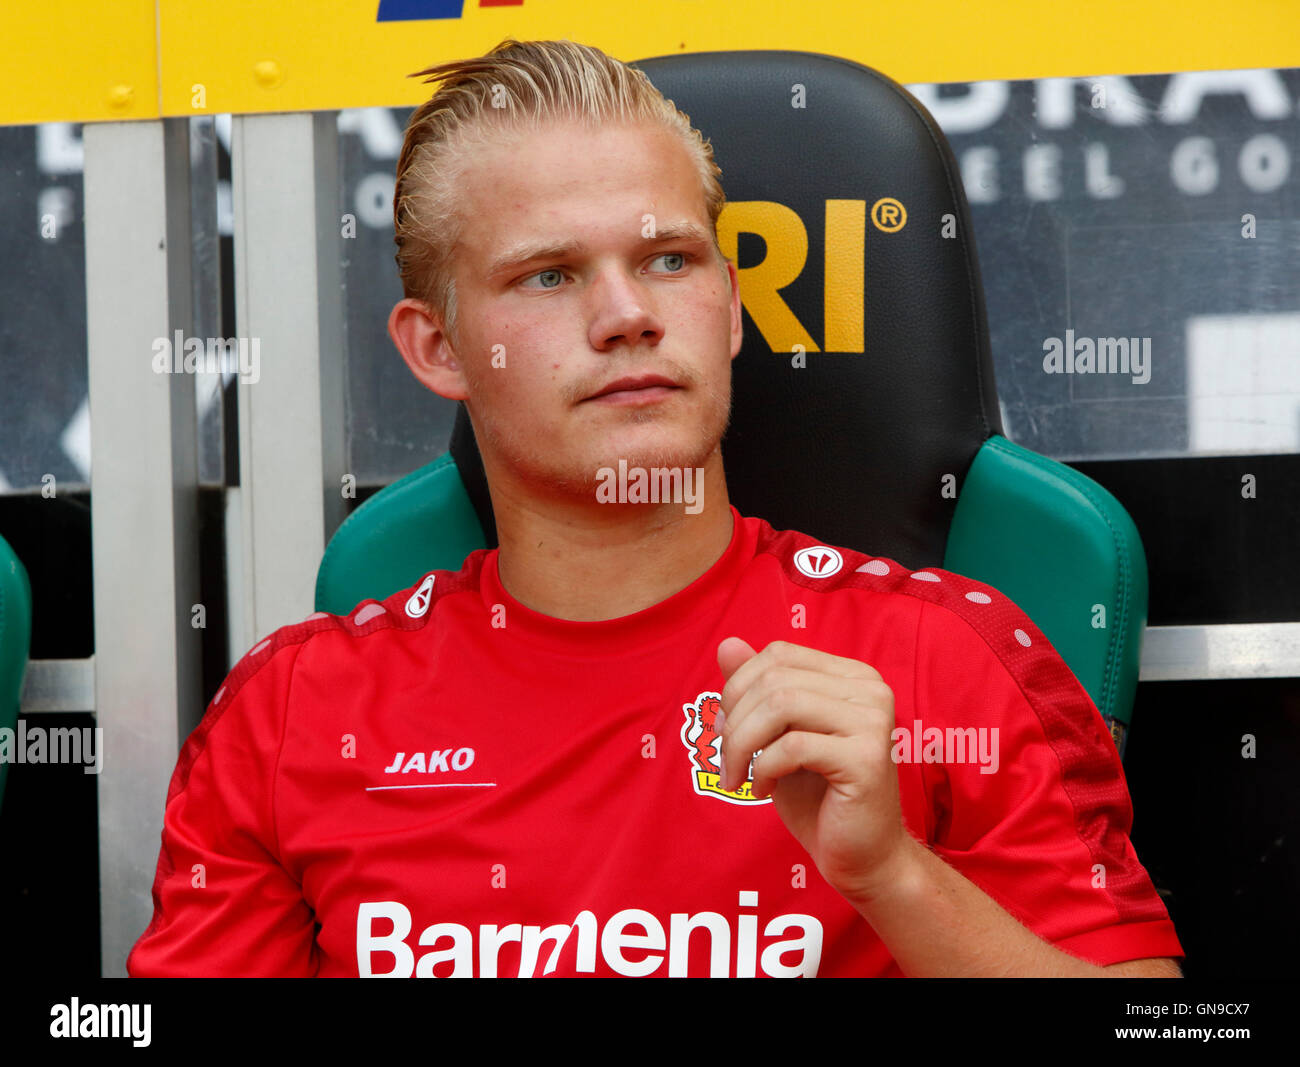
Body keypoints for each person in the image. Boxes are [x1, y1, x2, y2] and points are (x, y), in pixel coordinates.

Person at [128, 37, 1183, 978]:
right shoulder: (291, 714)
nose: (628, 315)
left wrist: (892, 877)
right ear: (438, 348)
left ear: (727, 306)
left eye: (669, 260)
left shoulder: (944, 658)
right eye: (548, 277)